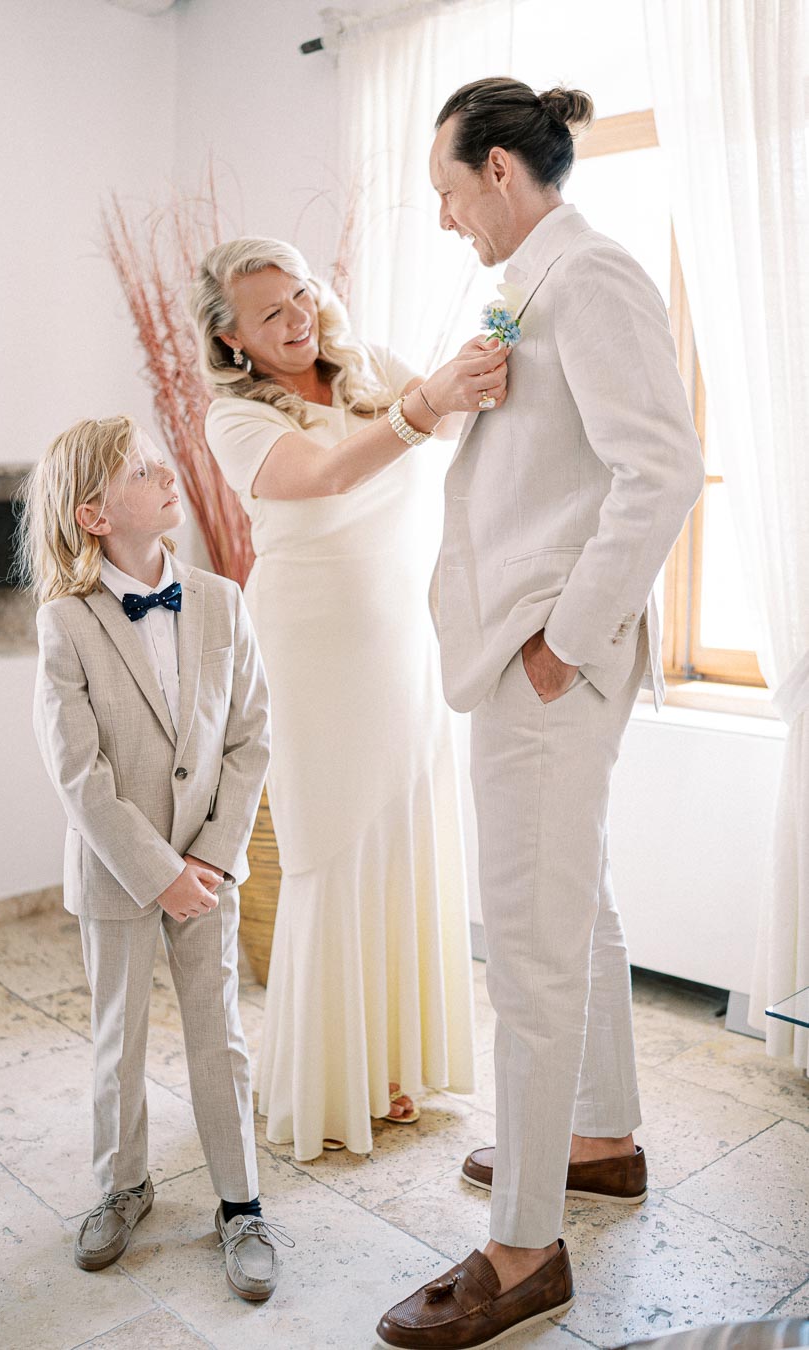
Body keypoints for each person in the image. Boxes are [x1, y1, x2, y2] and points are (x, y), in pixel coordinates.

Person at [377, 78, 705, 1348]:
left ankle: (521, 1246)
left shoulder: (593, 276)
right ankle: (598, 1139)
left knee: (527, 947)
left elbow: (661, 469)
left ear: (501, 172)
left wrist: (562, 642)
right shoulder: (538, 282)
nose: (447, 218)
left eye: (450, 192)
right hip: (531, 651)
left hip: (544, 660)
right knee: (580, 907)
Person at [191, 238, 509, 1160]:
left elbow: (457, 417)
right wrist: (431, 399)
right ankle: (328, 1081)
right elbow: (327, 475)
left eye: (300, 295)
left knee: (404, 832)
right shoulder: (233, 418)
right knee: (332, 844)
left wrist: (490, 353)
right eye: (270, 314)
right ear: (232, 338)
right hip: (312, 646)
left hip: (405, 638)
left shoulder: (370, 366)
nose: (297, 319)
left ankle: (393, 1064)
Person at [19, 415, 288, 1302]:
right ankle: (122, 1186)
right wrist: (157, 870)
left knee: (219, 1033)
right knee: (118, 1036)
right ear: (95, 516)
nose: (166, 473)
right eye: (141, 470)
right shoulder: (65, 624)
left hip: (208, 870)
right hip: (117, 871)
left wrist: (208, 857)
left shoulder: (221, 601)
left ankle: (241, 1203)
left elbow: (250, 738)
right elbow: (78, 772)